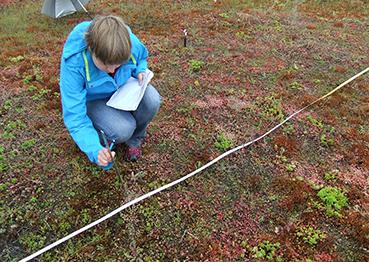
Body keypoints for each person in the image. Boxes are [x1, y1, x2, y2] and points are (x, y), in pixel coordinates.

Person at [59, 15, 161, 169]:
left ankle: (134, 140)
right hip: (94, 101)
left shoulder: (129, 42)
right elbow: (75, 118)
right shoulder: (74, 64)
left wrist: (140, 69)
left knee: (152, 99)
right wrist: (95, 150)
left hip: (120, 90)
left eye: (118, 64)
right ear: (92, 49)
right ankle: (101, 137)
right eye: (106, 65)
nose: (112, 70)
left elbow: (141, 57)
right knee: (123, 129)